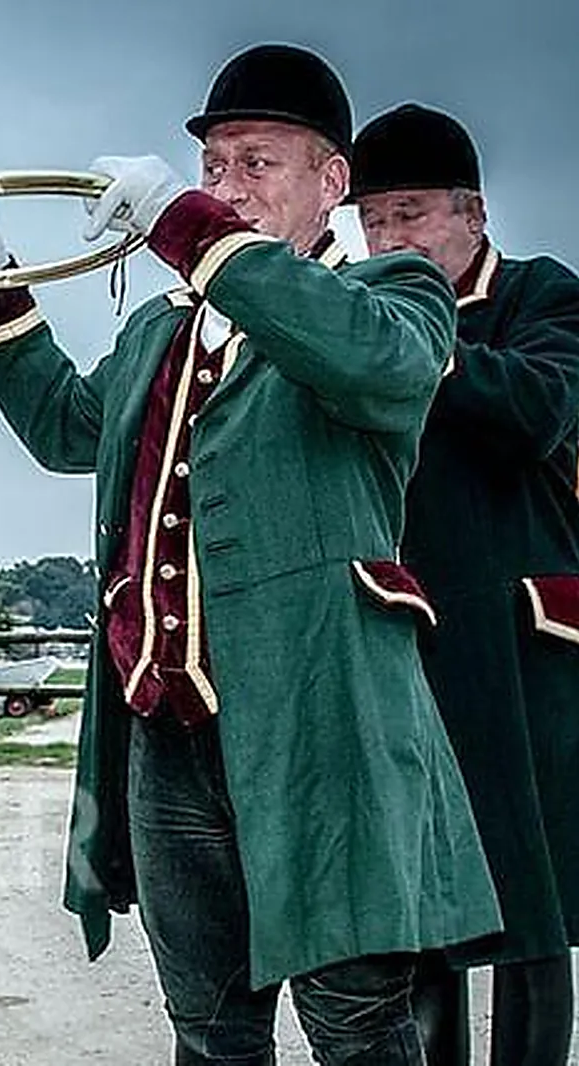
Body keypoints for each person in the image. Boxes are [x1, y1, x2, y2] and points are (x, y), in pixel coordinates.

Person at [0, 44, 502, 1064]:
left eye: (257, 164)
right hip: (168, 730)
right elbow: (68, 427)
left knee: (355, 1023)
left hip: (325, 723)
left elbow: (375, 364)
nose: (227, 186)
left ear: (331, 184)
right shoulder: (160, 329)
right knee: (208, 1029)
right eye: (211, 168)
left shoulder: (393, 293)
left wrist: (190, 233)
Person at [351, 103, 579, 1066]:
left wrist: (412, 342)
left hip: (524, 645)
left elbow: (538, 408)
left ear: (472, 213)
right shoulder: (352, 315)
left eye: (409, 216)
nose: (388, 238)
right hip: (407, 633)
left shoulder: (543, 294)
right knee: (422, 894)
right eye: (372, 221)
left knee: (534, 903)